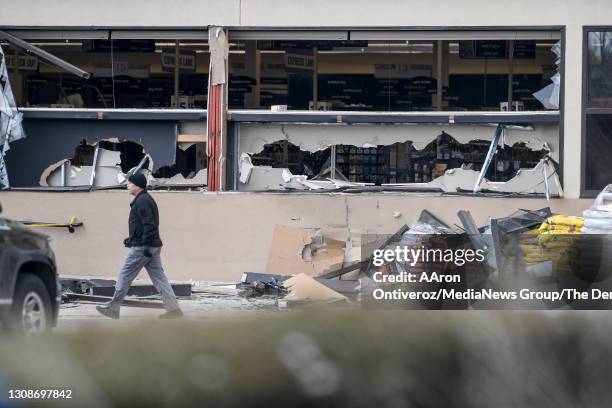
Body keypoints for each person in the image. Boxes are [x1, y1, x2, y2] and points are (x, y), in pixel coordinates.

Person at [96, 172, 183, 320]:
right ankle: (174, 310)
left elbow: (150, 225)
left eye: (129, 183)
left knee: (124, 275)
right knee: (160, 278)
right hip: (150, 245)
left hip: (144, 247)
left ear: (137, 185)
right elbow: (143, 226)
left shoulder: (142, 201)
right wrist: (131, 240)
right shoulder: (144, 199)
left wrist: (146, 247)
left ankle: (113, 308)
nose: (127, 185)